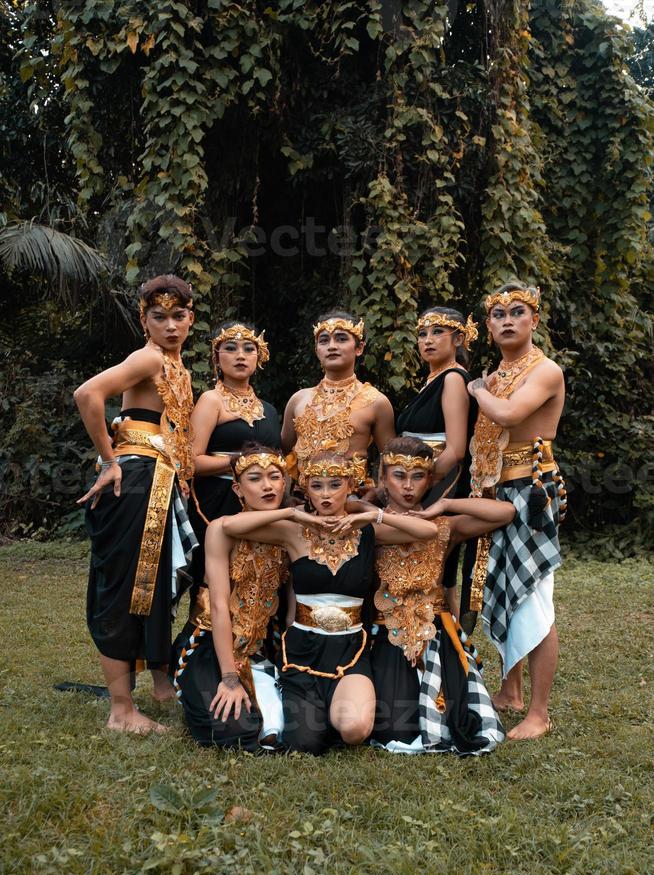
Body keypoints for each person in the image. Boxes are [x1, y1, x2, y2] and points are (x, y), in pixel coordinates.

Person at [222, 453, 450, 755]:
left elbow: (428, 531)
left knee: (355, 730)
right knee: (305, 744)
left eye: (335, 485)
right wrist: (296, 516)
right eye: (317, 486)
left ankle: (337, 707)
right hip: (302, 649)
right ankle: (311, 705)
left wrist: (371, 515)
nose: (326, 494)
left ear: (351, 485)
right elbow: (230, 526)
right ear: (306, 488)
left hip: (350, 649)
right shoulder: (292, 533)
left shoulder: (366, 532)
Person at [74, 274, 197, 734]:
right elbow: (88, 394)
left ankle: (158, 686)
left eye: (178, 316)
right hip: (136, 480)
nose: (170, 326)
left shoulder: (176, 366)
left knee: (153, 584)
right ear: (144, 320)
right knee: (124, 587)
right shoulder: (147, 357)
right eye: (159, 317)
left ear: (191, 319)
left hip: (160, 483)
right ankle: (121, 711)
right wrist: (110, 458)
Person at [467, 282, 566, 740]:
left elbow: (507, 416)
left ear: (535, 320)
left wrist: (474, 388)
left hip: (531, 491)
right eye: (498, 313)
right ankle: (510, 691)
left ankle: (540, 714)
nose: (507, 320)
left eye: (518, 311)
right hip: (498, 490)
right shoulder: (500, 372)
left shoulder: (544, 370)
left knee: (533, 597)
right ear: (488, 325)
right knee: (505, 589)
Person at [369, 437, 510, 754]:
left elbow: (505, 512)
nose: (408, 487)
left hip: (436, 633)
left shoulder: (445, 526)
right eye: (399, 476)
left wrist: (446, 504)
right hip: (386, 634)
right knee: (396, 728)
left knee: (457, 717)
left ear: (430, 480)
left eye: (418, 477)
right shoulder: (368, 524)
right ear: (383, 477)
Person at [172, 446, 297, 750]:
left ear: (285, 482)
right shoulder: (222, 529)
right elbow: (217, 607)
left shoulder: (292, 534)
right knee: (235, 733)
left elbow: (292, 610)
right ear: (238, 488)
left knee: (293, 730)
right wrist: (229, 678)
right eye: (255, 479)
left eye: (275, 477)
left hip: (263, 646)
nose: (267, 486)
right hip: (212, 646)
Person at [396, 306, 478, 615]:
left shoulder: (454, 379)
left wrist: (418, 489)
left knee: (434, 566)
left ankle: (449, 650)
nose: (428, 340)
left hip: (437, 483)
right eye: (422, 334)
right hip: (416, 481)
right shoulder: (432, 381)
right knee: (430, 569)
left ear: (458, 339)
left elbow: (455, 449)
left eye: (437, 332)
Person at [188, 321, 280, 597]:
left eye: (248, 349)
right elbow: (191, 462)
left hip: (263, 504)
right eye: (230, 348)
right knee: (218, 583)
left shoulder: (270, 409)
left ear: (259, 356)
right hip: (219, 500)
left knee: (261, 578)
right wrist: (240, 462)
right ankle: (208, 638)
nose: (240, 355)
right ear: (216, 358)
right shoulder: (210, 401)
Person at [281, 311, 395, 485]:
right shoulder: (298, 399)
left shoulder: (376, 401)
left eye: (341, 339)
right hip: (302, 502)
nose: (332, 346)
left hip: (351, 502)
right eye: (324, 340)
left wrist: (378, 494)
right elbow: (284, 454)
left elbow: (390, 459)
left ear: (359, 348)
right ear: (317, 350)